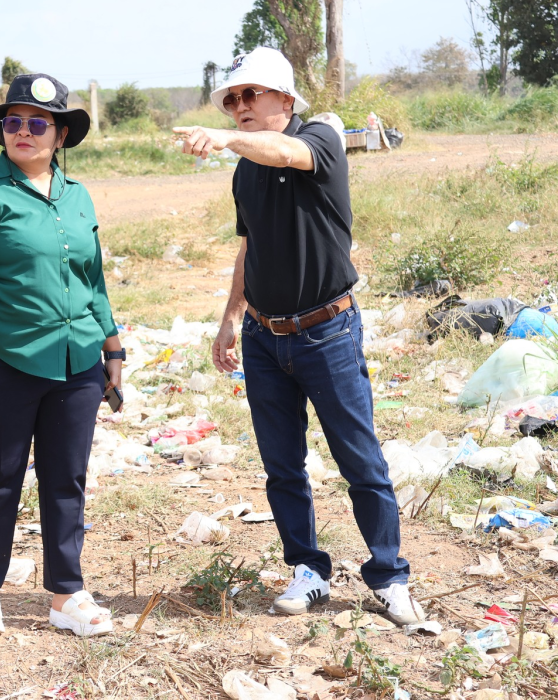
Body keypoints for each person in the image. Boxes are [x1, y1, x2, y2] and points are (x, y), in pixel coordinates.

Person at [176, 47, 425, 626]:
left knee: (360, 460)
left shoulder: (319, 139)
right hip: (266, 337)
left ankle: (389, 576)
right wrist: (231, 316)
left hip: (327, 332)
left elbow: (286, 152)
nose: (238, 107)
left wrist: (225, 138)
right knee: (282, 465)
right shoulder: (245, 171)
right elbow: (249, 245)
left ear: (285, 100)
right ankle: (307, 570)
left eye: (249, 95)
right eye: (231, 100)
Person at [0, 73, 124, 638]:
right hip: (5, 359)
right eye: (12, 122)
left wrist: (112, 346)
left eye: (37, 122)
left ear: (60, 133)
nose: (22, 131)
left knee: (67, 477)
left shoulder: (78, 195)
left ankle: (65, 593)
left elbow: (90, 278)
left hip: (77, 362)